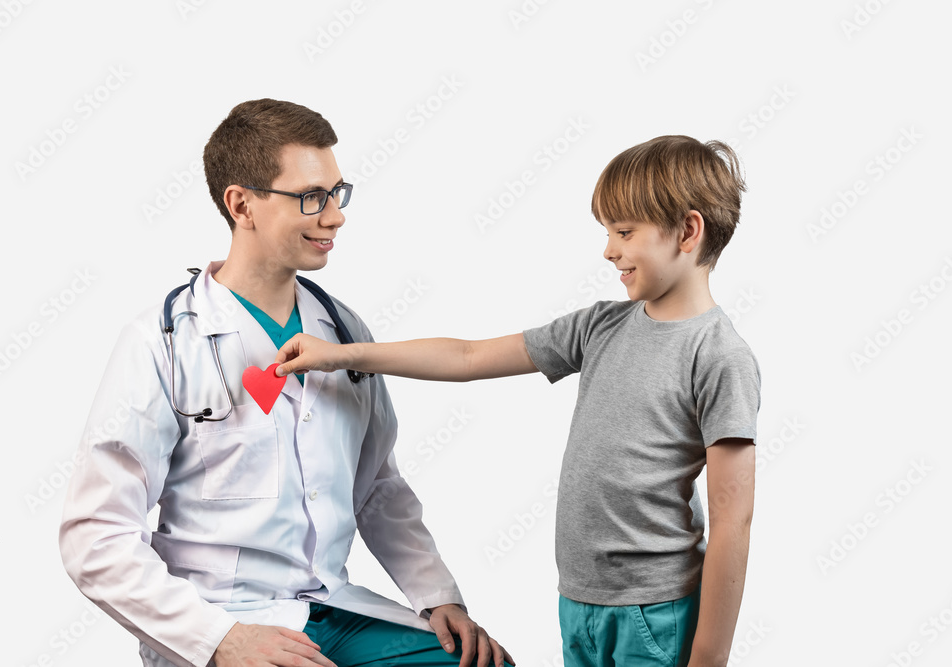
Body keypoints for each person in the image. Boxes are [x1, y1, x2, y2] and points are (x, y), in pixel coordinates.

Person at [273, 136, 761, 667]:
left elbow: (732, 522)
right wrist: (341, 354)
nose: (608, 250)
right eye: (607, 233)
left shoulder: (718, 356)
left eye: (624, 233)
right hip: (581, 604)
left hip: (657, 613)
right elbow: (467, 357)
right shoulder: (601, 326)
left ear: (688, 231)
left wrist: (707, 658)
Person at [59, 99, 512, 667]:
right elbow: (96, 535)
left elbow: (377, 486)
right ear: (241, 204)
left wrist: (437, 594)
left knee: (484, 665)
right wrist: (220, 639)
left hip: (332, 607)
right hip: (219, 617)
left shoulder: (344, 332)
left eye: (337, 193)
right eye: (311, 197)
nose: (336, 216)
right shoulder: (163, 341)